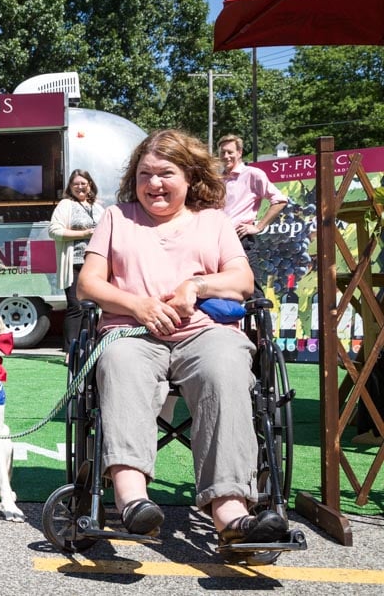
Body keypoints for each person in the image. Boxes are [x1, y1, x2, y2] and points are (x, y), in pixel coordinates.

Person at [77, 129, 291, 548]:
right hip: (132, 331)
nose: (153, 184)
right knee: (120, 363)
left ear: (190, 176)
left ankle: (230, 510)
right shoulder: (116, 218)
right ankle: (132, 499)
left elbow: (242, 281)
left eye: (165, 173)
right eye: (144, 174)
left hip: (203, 333)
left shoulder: (213, 221)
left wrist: (197, 285)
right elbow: (88, 284)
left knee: (226, 367)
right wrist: (137, 305)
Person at [218, 134, 287, 296]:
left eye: (230, 152)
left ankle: (261, 322)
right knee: (223, 291)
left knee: (253, 291)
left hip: (241, 239)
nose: (226, 156)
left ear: (240, 152)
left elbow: (280, 200)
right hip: (219, 242)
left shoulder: (252, 174)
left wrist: (258, 227)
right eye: (222, 153)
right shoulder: (219, 179)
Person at [49, 169, 104, 355]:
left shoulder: (97, 206)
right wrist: (85, 233)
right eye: (76, 184)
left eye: (83, 183)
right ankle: (70, 351)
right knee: (75, 307)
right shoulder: (66, 205)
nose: (80, 187)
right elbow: (54, 231)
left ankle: (87, 348)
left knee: (92, 308)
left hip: (95, 264)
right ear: (70, 188)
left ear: (90, 185)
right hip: (74, 263)